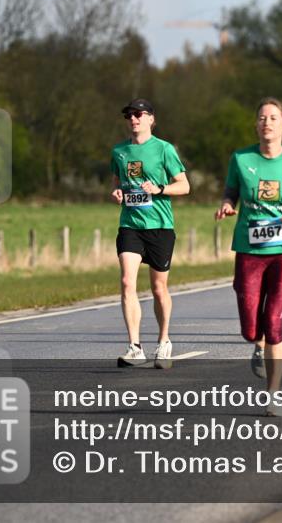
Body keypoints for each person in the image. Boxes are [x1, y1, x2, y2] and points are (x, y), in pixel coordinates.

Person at [215, 97, 282, 417]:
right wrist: (227, 205)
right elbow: (230, 192)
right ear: (256, 124)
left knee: (273, 320)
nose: (267, 123)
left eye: (273, 118)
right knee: (251, 329)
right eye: (262, 118)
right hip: (249, 249)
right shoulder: (240, 158)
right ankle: (257, 345)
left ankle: (273, 394)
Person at [111, 99, 190, 369]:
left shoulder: (164, 149)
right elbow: (116, 183)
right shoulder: (119, 151)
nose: (133, 119)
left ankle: (164, 341)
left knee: (158, 288)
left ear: (150, 119)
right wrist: (117, 192)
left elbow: (184, 186)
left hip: (160, 226)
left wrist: (159, 189)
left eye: (138, 114)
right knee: (126, 282)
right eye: (129, 115)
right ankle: (135, 346)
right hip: (130, 225)